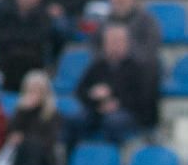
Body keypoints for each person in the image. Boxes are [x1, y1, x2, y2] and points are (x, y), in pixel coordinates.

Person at [65, 23, 159, 151]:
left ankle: (110, 161)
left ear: (127, 43)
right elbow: (80, 90)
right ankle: (71, 159)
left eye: (118, 41)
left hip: (130, 112)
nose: (113, 45)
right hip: (97, 109)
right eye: (110, 42)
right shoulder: (98, 66)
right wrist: (93, 97)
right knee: (75, 120)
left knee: (114, 122)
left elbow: (145, 98)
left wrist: (117, 103)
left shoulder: (138, 67)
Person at [0, 68, 63, 165]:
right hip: (21, 151)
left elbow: (50, 139)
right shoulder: (21, 111)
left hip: (45, 154)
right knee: (21, 145)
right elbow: (11, 131)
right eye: (31, 90)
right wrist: (23, 111)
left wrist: (25, 138)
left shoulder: (53, 114)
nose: (34, 94)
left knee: (31, 144)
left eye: (37, 90)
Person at [0, 0, 58, 92]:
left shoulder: (44, 17)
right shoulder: (5, 16)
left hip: (35, 66)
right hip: (9, 67)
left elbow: (43, 43)